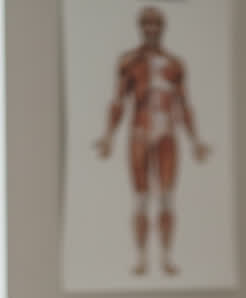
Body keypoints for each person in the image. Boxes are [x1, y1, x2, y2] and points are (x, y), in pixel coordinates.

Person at [94, 5, 210, 277]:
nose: (151, 30)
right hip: (140, 133)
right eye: (146, 24)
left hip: (167, 134)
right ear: (140, 27)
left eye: (156, 24)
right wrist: (108, 136)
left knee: (168, 198)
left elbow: (184, 104)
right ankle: (141, 258)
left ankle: (167, 257)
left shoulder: (174, 64)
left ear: (163, 28)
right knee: (141, 198)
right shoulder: (129, 63)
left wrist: (195, 141)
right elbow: (119, 101)